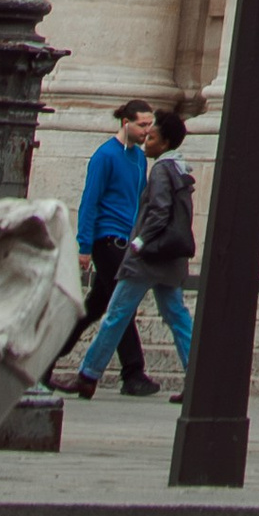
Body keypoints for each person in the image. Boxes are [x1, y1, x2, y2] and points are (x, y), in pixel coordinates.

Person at [68, 106, 195, 397]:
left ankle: (88, 375)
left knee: (116, 313)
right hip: (169, 261)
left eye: (151, 138)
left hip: (147, 259)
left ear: (164, 144)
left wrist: (139, 243)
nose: (145, 141)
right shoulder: (179, 168)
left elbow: (159, 212)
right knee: (177, 315)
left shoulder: (162, 170)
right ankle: (196, 376)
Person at [51, 98, 161, 394]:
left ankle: (47, 359)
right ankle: (133, 372)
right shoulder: (105, 156)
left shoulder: (139, 158)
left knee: (95, 307)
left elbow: (139, 200)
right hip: (106, 240)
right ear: (126, 123)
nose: (147, 130)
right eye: (142, 124)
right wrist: (84, 246)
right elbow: (90, 202)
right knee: (121, 304)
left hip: (126, 242)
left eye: (150, 124)